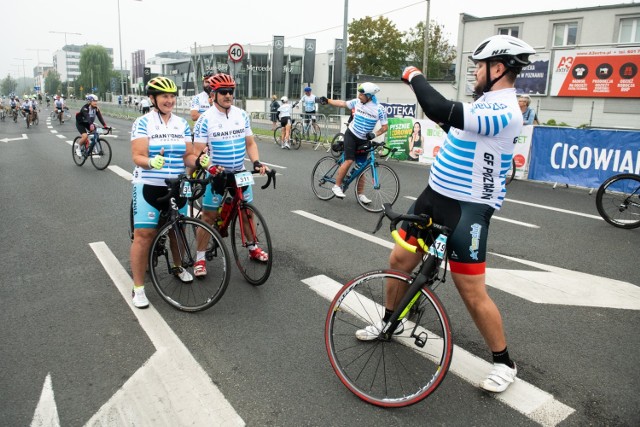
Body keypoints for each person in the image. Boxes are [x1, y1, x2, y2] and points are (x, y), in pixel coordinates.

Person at [361, 34, 536, 393]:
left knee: (470, 291)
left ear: (498, 68)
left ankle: (504, 362)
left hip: (467, 209)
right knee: (399, 260)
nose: (475, 73)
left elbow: (440, 110)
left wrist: (413, 75)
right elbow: (453, 127)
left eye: (479, 67)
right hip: (433, 196)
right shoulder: (486, 103)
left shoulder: (504, 109)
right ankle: (390, 321)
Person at [129, 76, 200, 309]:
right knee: (144, 236)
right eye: (164, 96)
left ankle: (178, 267)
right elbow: (137, 156)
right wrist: (151, 162)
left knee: (177, 229)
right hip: (149, 184)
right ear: (153, 99)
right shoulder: (143, 122)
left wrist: (200, 161)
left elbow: (187, 156)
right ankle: (138, 287)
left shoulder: (181, 124)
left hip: (176, 185)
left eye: (172, 96)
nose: (169, 100)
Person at [192, 73, 270, 276]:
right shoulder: (204, 119)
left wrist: (256, 162)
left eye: (231, 92)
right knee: (208, 216)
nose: (228, 95)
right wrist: (209, 167)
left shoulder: (241, 114)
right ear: (214, 94)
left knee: (247, 212)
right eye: (223, 92)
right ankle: (199, 259)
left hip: (240, 172)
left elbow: (250, 143)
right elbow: (198, 151)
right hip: (218, 174)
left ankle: (253, 248)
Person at [318, 82, 388, 203]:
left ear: (370, 96)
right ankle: (337, 186)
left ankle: (360, 195)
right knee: (349, 160)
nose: (359, 96)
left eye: (362, 94)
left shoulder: (379, 109)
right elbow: (342, 103)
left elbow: (385, 127)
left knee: (360, 167)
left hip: (364, 139)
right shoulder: (357, 102)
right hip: (351, 135)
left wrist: (375, 134)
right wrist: (328, 100)